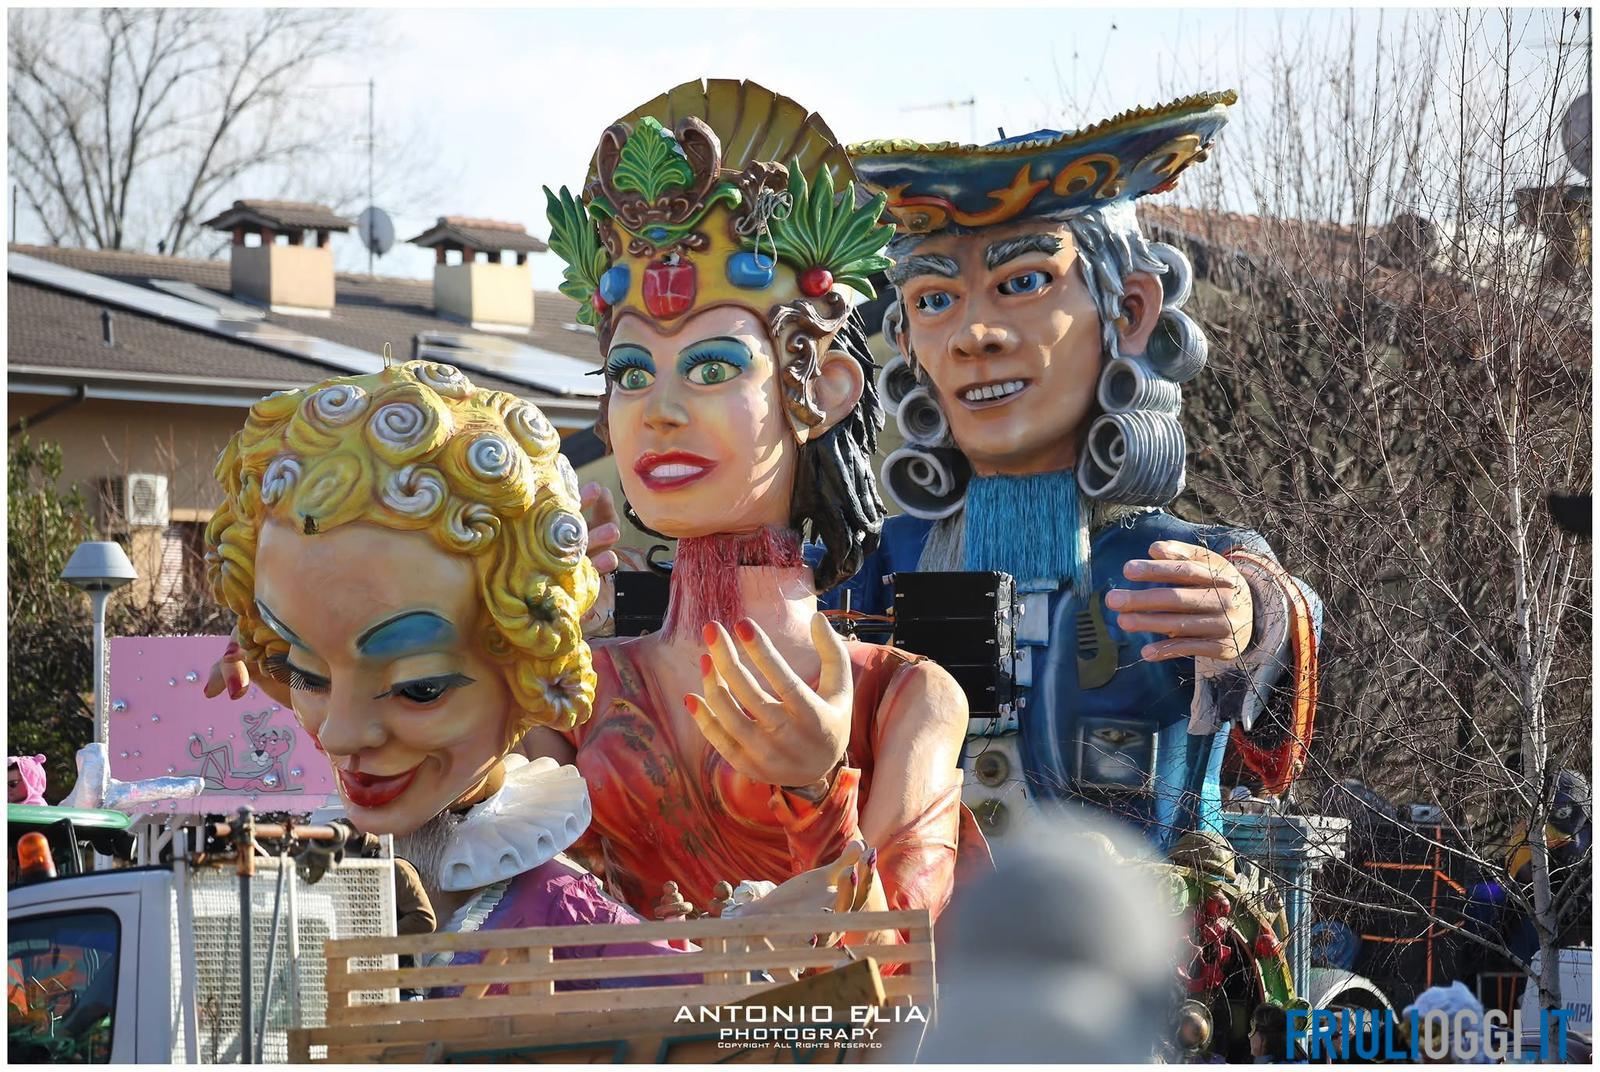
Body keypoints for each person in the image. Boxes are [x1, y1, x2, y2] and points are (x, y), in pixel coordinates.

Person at [530, 78, 981, 931]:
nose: (658, 411)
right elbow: (498, 903)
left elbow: (898, 952)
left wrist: (817, 789)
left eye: (712, 368)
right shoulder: (578, 686)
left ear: (824, 389)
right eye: (630, 372)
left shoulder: (906, 698)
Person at [839, 93, 1323, 847]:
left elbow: (1283, 610)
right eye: (935, 299)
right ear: (907, 343)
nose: (973, 335)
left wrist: (1251, 612)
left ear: (1129, 311)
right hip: (925, 910)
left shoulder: (1166, 560)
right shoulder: (887, 561)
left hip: (1134, 915)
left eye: (1023, 282)